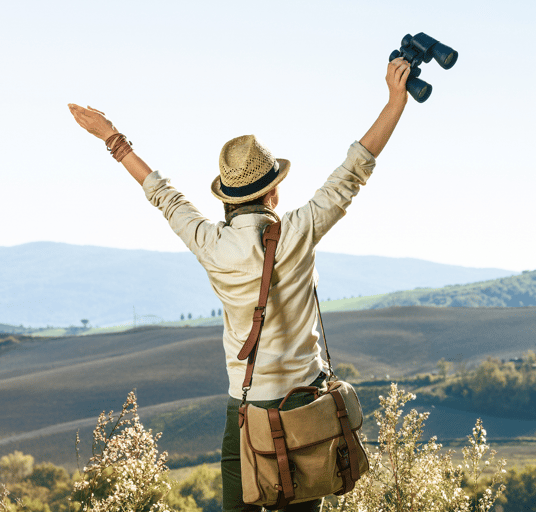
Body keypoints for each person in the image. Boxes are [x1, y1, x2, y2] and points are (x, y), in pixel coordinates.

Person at [68, 57, 411, 511]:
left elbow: (162, 194)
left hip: (246, 413)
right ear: (273, 192)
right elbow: (354, 169)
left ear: (228, 199)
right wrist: (395, 100)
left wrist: (112, 137)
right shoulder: (298, 230)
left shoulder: (209, 243)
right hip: (305, 407)